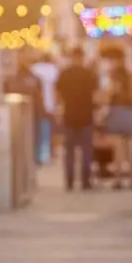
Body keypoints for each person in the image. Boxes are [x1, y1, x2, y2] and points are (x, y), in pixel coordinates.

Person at [55, 49, 99, 191]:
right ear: (82, 57)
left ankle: (69, 181)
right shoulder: (89, 74)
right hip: (86, 116)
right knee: (86, 150)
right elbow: (96, 94)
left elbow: (58, 93)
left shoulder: (65, 74)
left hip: (69, 116)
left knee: (69, 150)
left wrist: (60, 108)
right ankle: (85, 181)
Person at [5, 58, 46, 165]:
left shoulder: (11, 80)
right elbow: (40, 98)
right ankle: (33, 160)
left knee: (18, 139)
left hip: (15, 117)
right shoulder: (35, 79)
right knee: (33, 138)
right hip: (33, 114)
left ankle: (21, 160)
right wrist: (42, 112)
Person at [103, 62, 132, 189]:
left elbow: (106, 98)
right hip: (130, 114)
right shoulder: (131, 86)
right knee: (130, 149)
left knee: (118, 149)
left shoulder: (115, 86)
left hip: (117, 114)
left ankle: (118, 178)